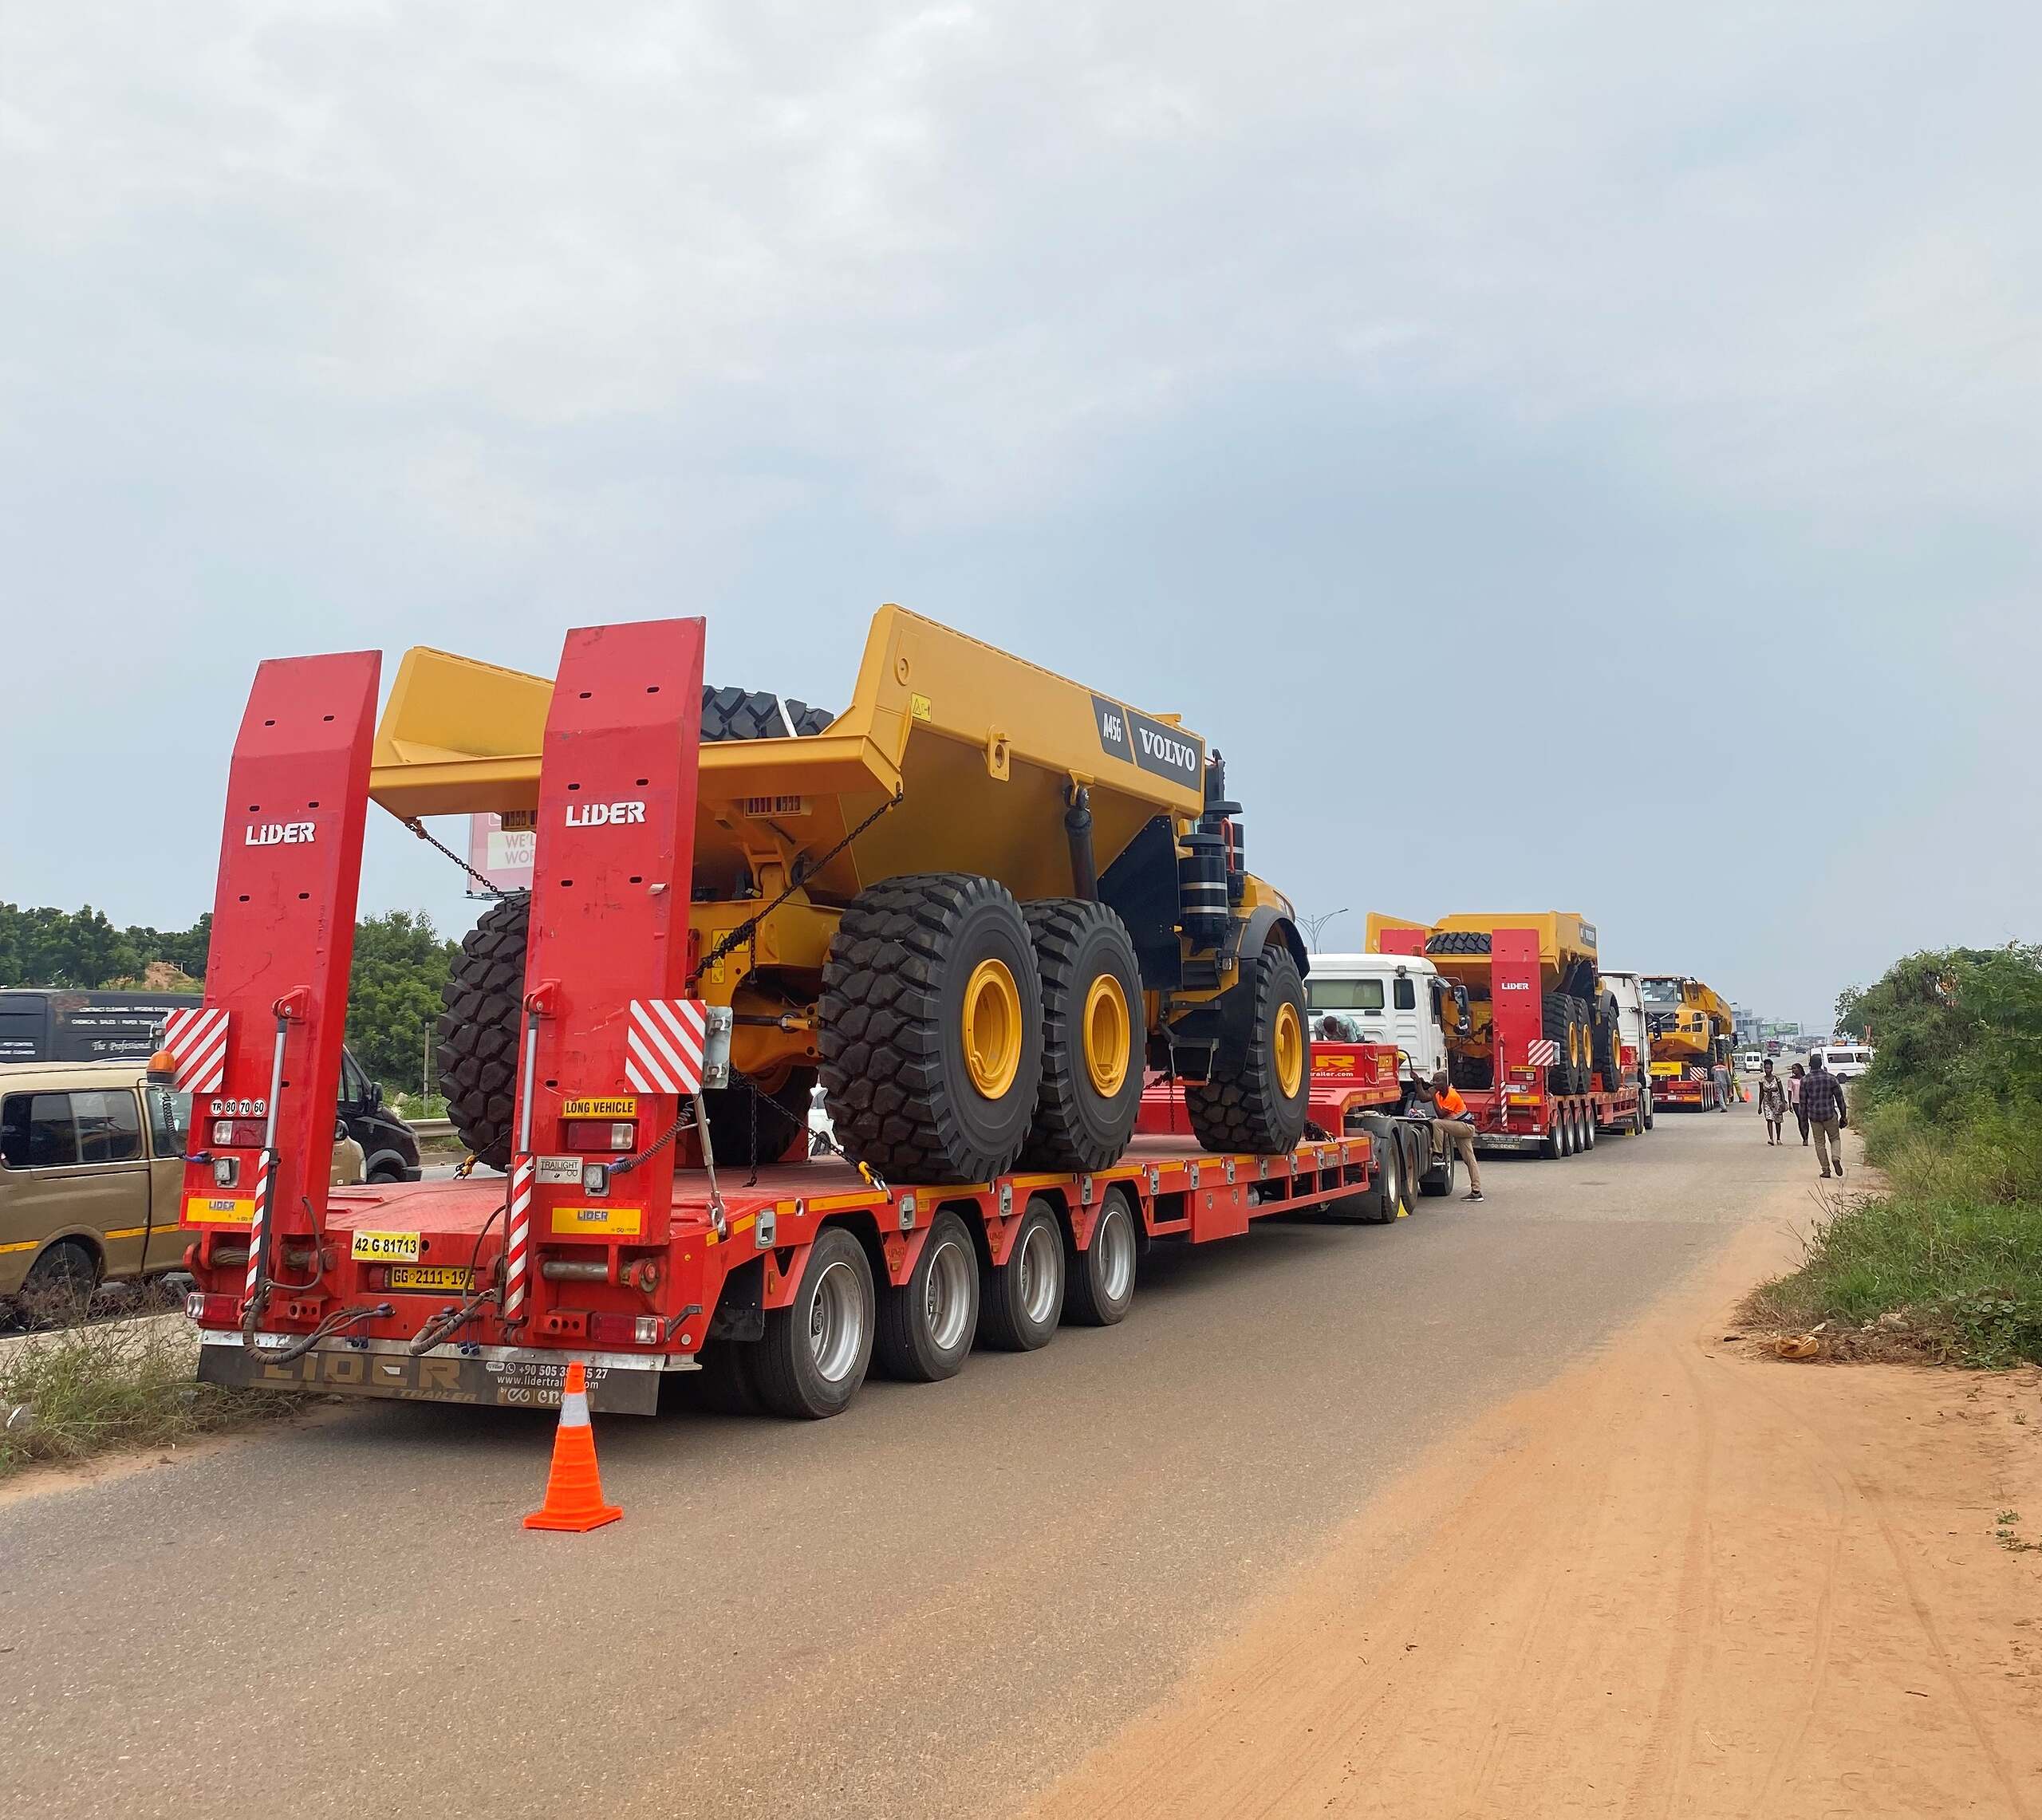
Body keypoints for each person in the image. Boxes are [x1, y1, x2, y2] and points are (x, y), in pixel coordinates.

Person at [1412, 1070, 1484, 1202]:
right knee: (1470, 1160)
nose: (1434, 1084)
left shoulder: (1452, 1095)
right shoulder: (1439, 1094)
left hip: (1465, 1127)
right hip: (1458, 1126)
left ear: (1445, 1083)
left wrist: (1433, 1095)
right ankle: (1476, 1191)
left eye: (1437, 1081)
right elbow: (1423, 1098)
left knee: (1437, 1123)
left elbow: (1441, 1115)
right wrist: (1418, 1084)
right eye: (1433, 1081)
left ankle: (1438, 1154)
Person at [1801, 1052, 1849, 1180]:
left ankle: (1826, 1170)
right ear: (1821, 1064)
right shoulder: (1831, 1078)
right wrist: (1843, 1116)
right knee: (1835, 1138)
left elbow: (1803, 1103)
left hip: (1814, 1117)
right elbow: (1840, 1099)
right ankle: (1836, 1158)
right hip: (1830, 1115)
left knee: (1819, 1143)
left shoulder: (1805, 1080)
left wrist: (1803, 1121)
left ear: (1810, 1065)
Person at [1756, 1059, 1788, 1144]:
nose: (1767, 1070)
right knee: (1769, 1119)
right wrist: (1759, 1106)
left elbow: (1781, 1090)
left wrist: (1783, 1102)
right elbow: (1761, 1093)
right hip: (1767, 1102)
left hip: (1777, 1101)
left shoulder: (1777, 1079)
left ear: (1772, 1069)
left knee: (1778, 1121)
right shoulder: (1762, 1080)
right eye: (1766, 1068)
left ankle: (1778, 1138)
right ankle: (1771, 1138)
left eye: (1769, 1068)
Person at [1787, 1062, 1809, 1144]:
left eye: (1795, 1068)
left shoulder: (1805, 1079)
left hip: (1805, 1102)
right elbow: (1790, 1091)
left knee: (1805, 1119)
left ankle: (1806, 1136)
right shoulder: (1791, 1080)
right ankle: (1804, 1138)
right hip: (1796, 1102)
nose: (1793, 1070)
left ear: (1800, 1069)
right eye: (1792, 1068)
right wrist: (1789, 1103)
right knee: (1800, 1119)